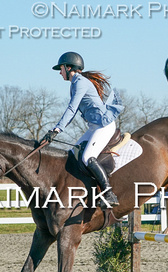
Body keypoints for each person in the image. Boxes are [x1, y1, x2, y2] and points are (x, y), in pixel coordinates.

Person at [43, 52, 123, 209]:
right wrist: (56, 130)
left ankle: (109, 194)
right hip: (94, 127)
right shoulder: (74, 84)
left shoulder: (80, 82)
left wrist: (57, 129)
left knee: (87, 157)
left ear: (69, 67)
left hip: (104, 125)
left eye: (61, 69)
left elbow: (72, 109)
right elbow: (72, 112)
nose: (60, 72)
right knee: (74, 153)